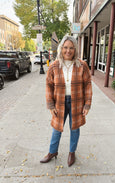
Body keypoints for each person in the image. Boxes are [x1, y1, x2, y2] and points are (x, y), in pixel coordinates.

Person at [40, 35, 92, 167]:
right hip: (59, 103)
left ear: (75, 49)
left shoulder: (82, 65)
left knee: (74, 129)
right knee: (56, 129)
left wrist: (87, 104)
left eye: (71, 48)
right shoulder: (54, 66)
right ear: (61, 48)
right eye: (65, 47)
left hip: (77, 102)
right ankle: (52, 152)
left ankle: (72, 152)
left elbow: (87, 85)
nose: (68, 51)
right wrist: (50, 105)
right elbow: (49, 86)